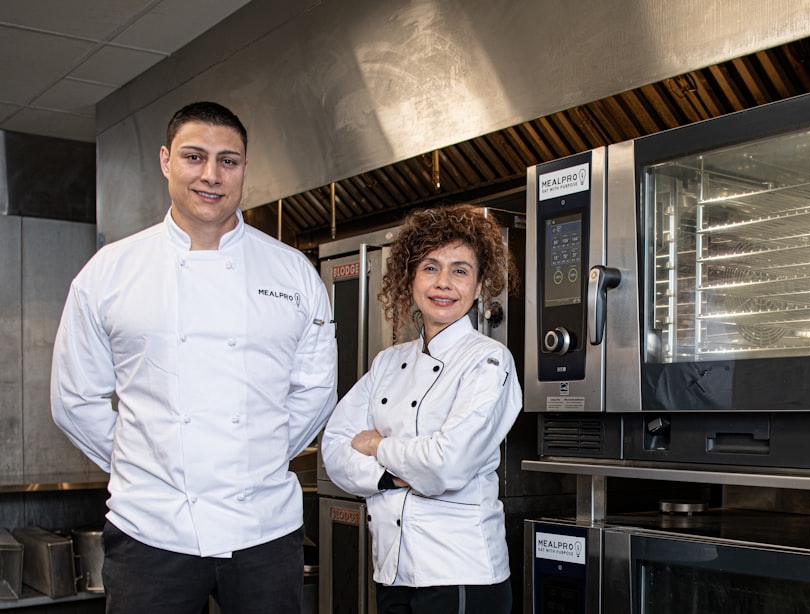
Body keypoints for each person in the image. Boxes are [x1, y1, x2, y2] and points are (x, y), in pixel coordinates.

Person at [50, 101, 338, 614]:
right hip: (149, 531)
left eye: (228, 160)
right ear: (166, 161)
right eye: (194, 156)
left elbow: (314, 392)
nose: (211, 175)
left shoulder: (293, 274)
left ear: (245, 169)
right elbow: (75, 400)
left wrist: (255, 457)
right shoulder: (110, 272)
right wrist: (150, 463)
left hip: (264, 531)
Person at [322, 204, 521, 614]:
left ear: (481, 284)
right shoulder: (387, 363)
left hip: (459, 571)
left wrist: (378, 446)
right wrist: (396, 479)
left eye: (460, 270)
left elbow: (446, 465)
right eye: (430, 268)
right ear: (410, 278)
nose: (443, 283)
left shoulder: (489, 361)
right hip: (392, 568)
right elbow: (335, 451)